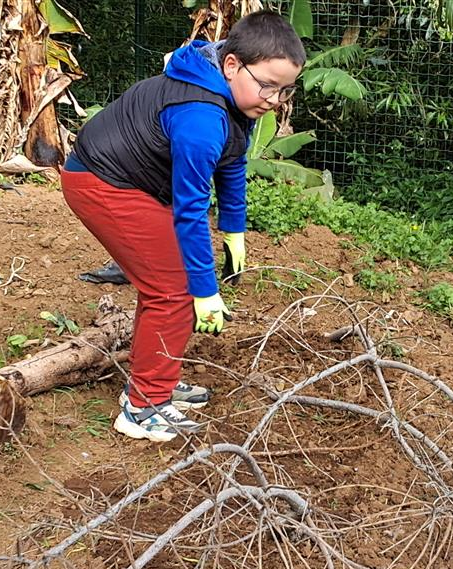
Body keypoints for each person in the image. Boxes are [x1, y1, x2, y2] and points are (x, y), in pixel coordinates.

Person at [61, 11, 305, 442]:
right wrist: (206, 291)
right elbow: (190, 212)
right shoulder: (200, 118)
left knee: (168, 284)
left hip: (131, 182)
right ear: (232, 65)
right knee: (174, 289)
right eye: (268, 85)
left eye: (285, 90)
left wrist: (234, 230)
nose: (275, 99)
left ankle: (155, 381)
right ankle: (143, 408)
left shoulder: (230, 96)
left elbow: (233, 163)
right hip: (103, 183)